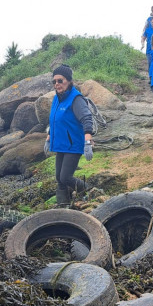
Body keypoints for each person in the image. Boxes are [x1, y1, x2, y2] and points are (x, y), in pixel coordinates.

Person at [44, 65, 94, 208]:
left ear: (69, 81)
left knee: (65, 177)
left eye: (60, 80)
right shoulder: (56, 99)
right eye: (54, 82)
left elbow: (86, 119)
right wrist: (48, 138)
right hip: (60, 144)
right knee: (59, 178)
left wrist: (88, 142)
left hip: (73, 145)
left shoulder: (75, 99)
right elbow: (54, 120)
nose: (57, 84)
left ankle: (91, 191)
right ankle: (63, 206)